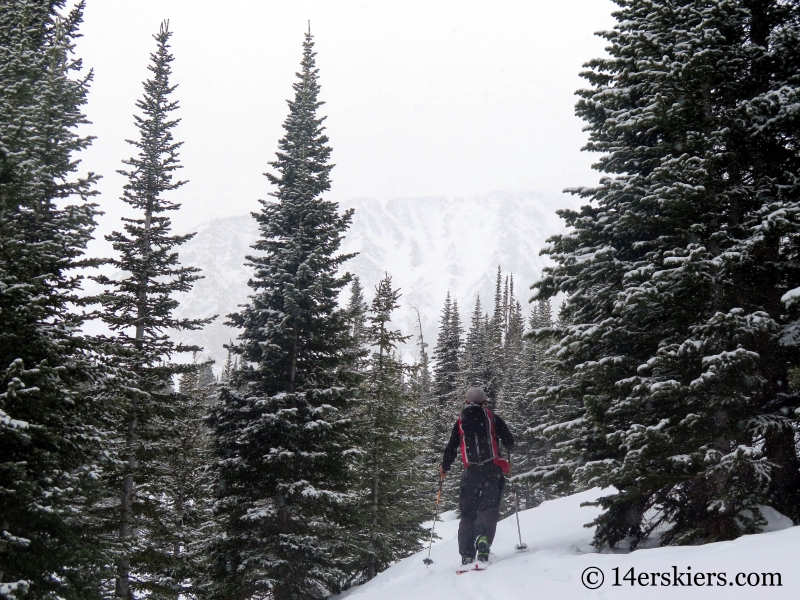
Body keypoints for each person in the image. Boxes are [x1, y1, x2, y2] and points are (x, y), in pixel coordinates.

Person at [440, 386, 514, 565]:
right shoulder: (492, 418)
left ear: (466, 401)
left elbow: (452, 447)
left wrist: (445, 466)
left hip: (471, 472)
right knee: (489, 507)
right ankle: (483, 540)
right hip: (492, 469)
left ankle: (466, 552)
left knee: (467, 512)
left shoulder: (460, 421)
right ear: (484, 401)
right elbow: (509, 442)